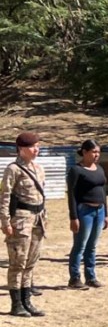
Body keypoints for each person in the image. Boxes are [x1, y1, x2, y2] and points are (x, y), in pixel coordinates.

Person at [1, 132, 47, 317]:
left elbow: (43, 197)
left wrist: (45, 218)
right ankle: (16, 303)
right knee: (18, 262)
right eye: (32, 146)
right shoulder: (13, 169)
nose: (36, 149)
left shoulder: (39, 168)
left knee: (31, 262)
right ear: (21, 149)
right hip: (20, 219)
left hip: (37, 219)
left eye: (38, 146)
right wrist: (5, 221)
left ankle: (27, 301)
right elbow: (4, 196)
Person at [67, 139, 108, 289]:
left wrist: (106, 213)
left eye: (98, 152)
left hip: (99, 210)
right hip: (84, 211)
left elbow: (103, 191)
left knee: (92, 246)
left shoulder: (100, 169)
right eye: (93, 152)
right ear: (84, 152)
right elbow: (71, 194)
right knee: (80, 245)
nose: (96, 155)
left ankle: (90, 276)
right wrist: (74, 217)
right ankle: (74, 278)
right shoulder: (76, 170)